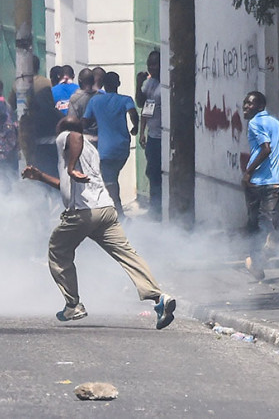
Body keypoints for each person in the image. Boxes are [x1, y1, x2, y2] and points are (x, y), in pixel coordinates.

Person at [21, 116, 176, 329]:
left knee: (57, 251)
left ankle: (73, 304)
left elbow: (74, 137)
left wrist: (71, 167)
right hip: (105, 211)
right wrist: (41, 177)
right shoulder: (90, 149)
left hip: (83, 213)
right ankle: (160, 298)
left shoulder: (67, 136)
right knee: (128, 254)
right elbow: (68, 187)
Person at [241, 91, 279, 281]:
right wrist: (277, 165)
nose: (246, 107)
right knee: (266, 218)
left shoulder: (255, 123)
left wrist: (249, 172)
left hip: (257, 182)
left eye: (250, 104)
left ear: (260, 106)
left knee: (255, 222)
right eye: (245, 103)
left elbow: (266, 148)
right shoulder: (274, 122)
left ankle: (262, 253)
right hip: (275, 181)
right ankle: (257, 263)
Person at [83, 72, 138, 217]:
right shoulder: (125, 99)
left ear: (104, 85)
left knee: (109, 179)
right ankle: (114, 210)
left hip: (105, 149)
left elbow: (86, 121)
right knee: (112, 176)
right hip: (123, 147)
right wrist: (136, 127)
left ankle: (118, 213)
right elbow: (133, 113)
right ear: (118, 84)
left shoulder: (95, 101)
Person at [137, 50, 163, 221]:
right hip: (153, 135)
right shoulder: (149, 83)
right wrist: (142, 132)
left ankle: (162, 208)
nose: (152, 67)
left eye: (155, 64)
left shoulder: (165, 85)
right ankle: (155, 208)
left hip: (164, 136)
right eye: (149, 64)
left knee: (161, 173)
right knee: (151, 172)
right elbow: (143, 105)